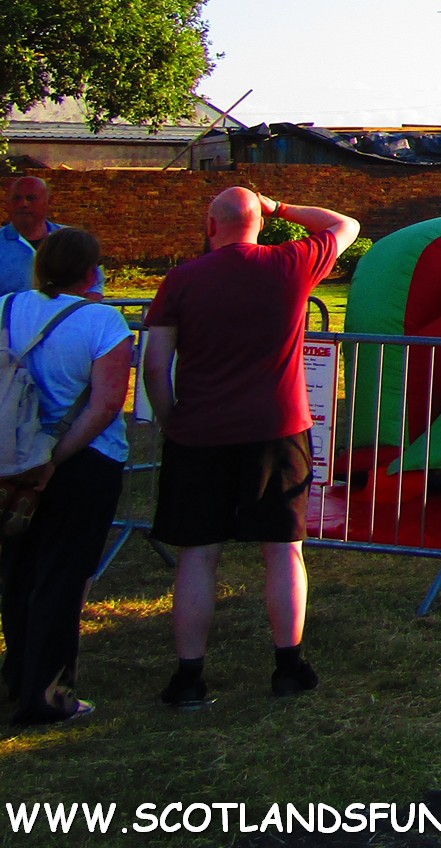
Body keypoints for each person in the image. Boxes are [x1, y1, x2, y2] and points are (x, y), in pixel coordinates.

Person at [143, 188, 358, 710]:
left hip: (199, 432)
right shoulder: (290, 264)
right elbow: (345, 224)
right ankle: (289, 667)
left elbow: (154, 364)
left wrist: (171, 419)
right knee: (284, 550)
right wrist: (279, 206)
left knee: (198, 554)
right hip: (277, 430)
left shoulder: (181, 280)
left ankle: (189, 678)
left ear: (209, 224)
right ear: (259, 224)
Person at [0, 228, 134, 725]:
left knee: (18, 572)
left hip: (14, 458)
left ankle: (18, 674)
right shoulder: (103, 321)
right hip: (84, 460)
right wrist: (55, 458)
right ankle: (48, 694)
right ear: (90, 271)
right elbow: (105, 405)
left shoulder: (7, 308)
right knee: (62, 577)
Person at [0, 177, 103, 299]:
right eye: (17, 198)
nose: (23, 204)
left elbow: (95, 283)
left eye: (31, 198)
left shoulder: (71, 240)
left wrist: (84, 308)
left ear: (49, 201)